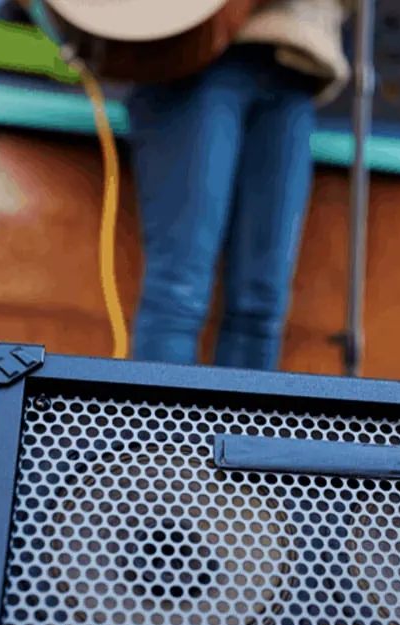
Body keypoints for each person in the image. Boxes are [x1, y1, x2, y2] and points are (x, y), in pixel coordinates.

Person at [125, 0, 352, 370]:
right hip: (192, 55)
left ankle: (244, 430)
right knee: (180, 295)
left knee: (261, 309)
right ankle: (166, 428)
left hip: (295, 65)